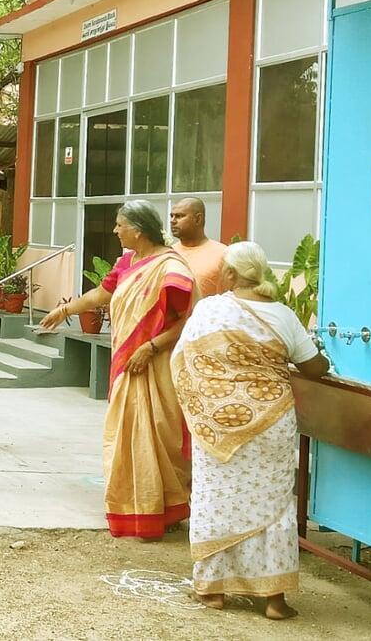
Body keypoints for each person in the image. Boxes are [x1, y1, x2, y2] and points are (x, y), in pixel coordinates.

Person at [173, 241, 329, 621]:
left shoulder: (210, 310)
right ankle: (273, 599)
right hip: (270, 422)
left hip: (217, 425)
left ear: (229, 274)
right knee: (273, 507)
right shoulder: (283, 315)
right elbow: (313, 368)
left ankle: (212, 591)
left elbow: (184, 359)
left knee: (216, 498)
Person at [40, 200, 196, 539]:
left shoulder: (172, 268)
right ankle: (135, 506)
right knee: (126, 436)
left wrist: (150, 347)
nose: (114, 230)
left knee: (157, 432)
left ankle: (164, 508)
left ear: (137, 231)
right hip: (128, 362)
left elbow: (187, 322)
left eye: (119, 225)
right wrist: (65, 311)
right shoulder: (128, 262)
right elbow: (101, 294)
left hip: (156, 364)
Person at [171, 198, 228, 298]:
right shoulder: (168, 253)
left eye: (179, 216)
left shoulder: (223, 254)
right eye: (171, 216)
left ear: (198, 219)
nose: (172, 221)